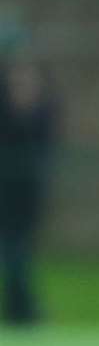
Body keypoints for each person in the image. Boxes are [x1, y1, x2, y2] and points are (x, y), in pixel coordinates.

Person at [0, 56, 59, 326]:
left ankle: (21, 310)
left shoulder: (43, 111)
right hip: (5, 192)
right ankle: (21, 309)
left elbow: (45, 147)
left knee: (20, 251)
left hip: (29, 192)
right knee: (13, 251)